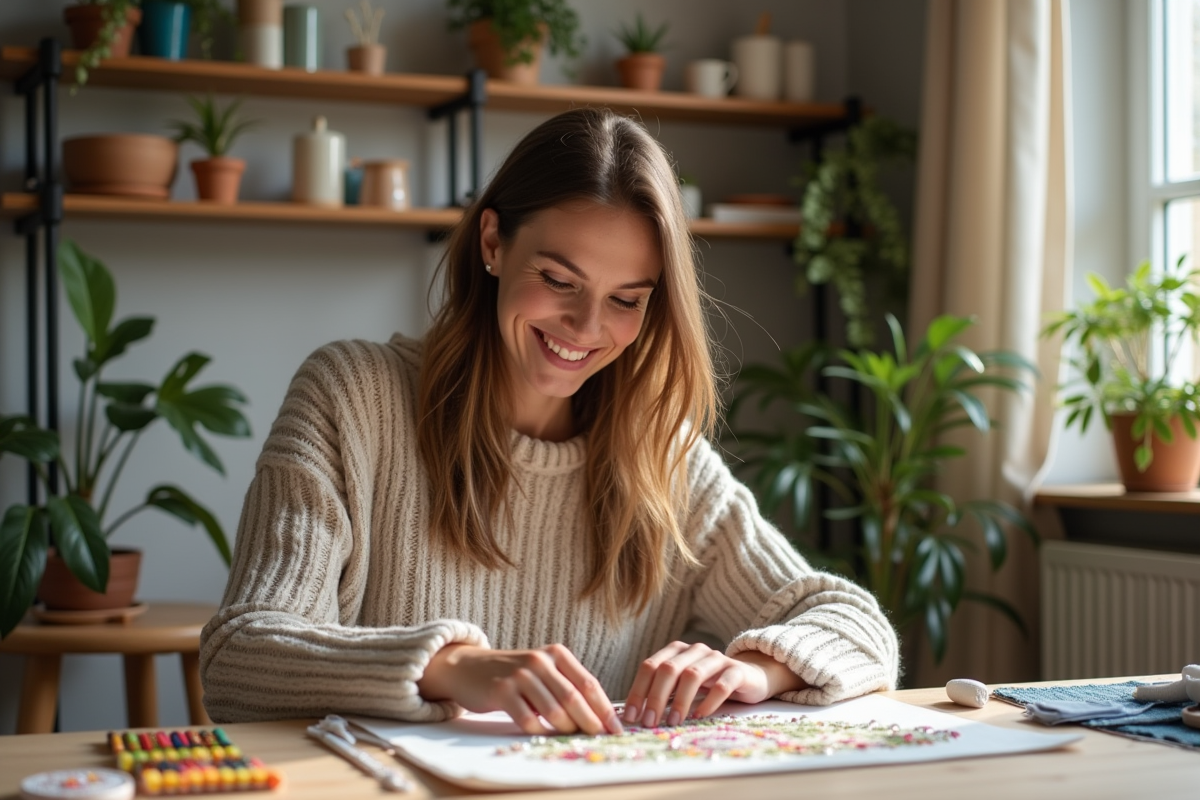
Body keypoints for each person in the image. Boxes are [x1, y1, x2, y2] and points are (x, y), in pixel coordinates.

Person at [200, 108, 898, 735]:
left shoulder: (662, 455)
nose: (586, 327)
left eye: (626, 299)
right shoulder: (352, 396)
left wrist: (755, 669)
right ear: (494, 242)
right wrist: (454, 666)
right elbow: (241, 657)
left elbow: (859, 629)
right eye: (560, 281)